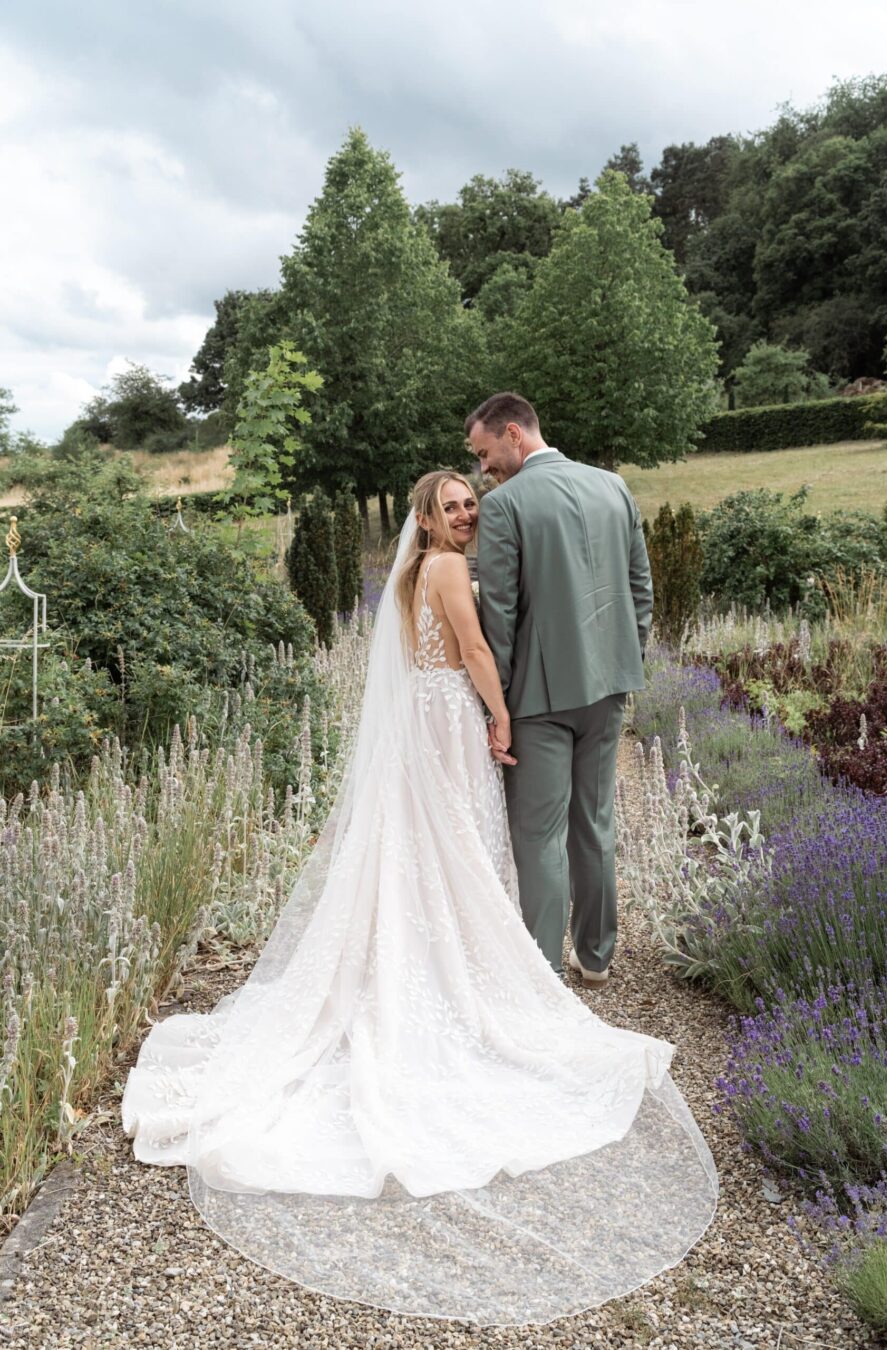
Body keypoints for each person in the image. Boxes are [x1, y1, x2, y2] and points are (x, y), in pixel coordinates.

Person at [122, 471, 716, 1326]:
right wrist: (505, 718)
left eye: (472, 501)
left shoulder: (412, 573)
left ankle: (440, 957)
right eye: (453, 506)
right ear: (427, 522)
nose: (468, 513)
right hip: (449, 720)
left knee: (438, 858)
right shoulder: (443, 568)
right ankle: (468, 971)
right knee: (460, 852)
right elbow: (474, 652)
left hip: (427, 722)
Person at [467, 392, 652, 985]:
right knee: (594, 823)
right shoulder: (613, 487)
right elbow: (639, 590)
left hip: (539, 701)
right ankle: (595, 958)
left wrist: (495, 707)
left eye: (485, 451)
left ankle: (542, 977)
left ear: (514, 434)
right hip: (609, 689)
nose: (483, 467)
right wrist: (622, 658)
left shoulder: (505, 506)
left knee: (539, 834)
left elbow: (498, 615)